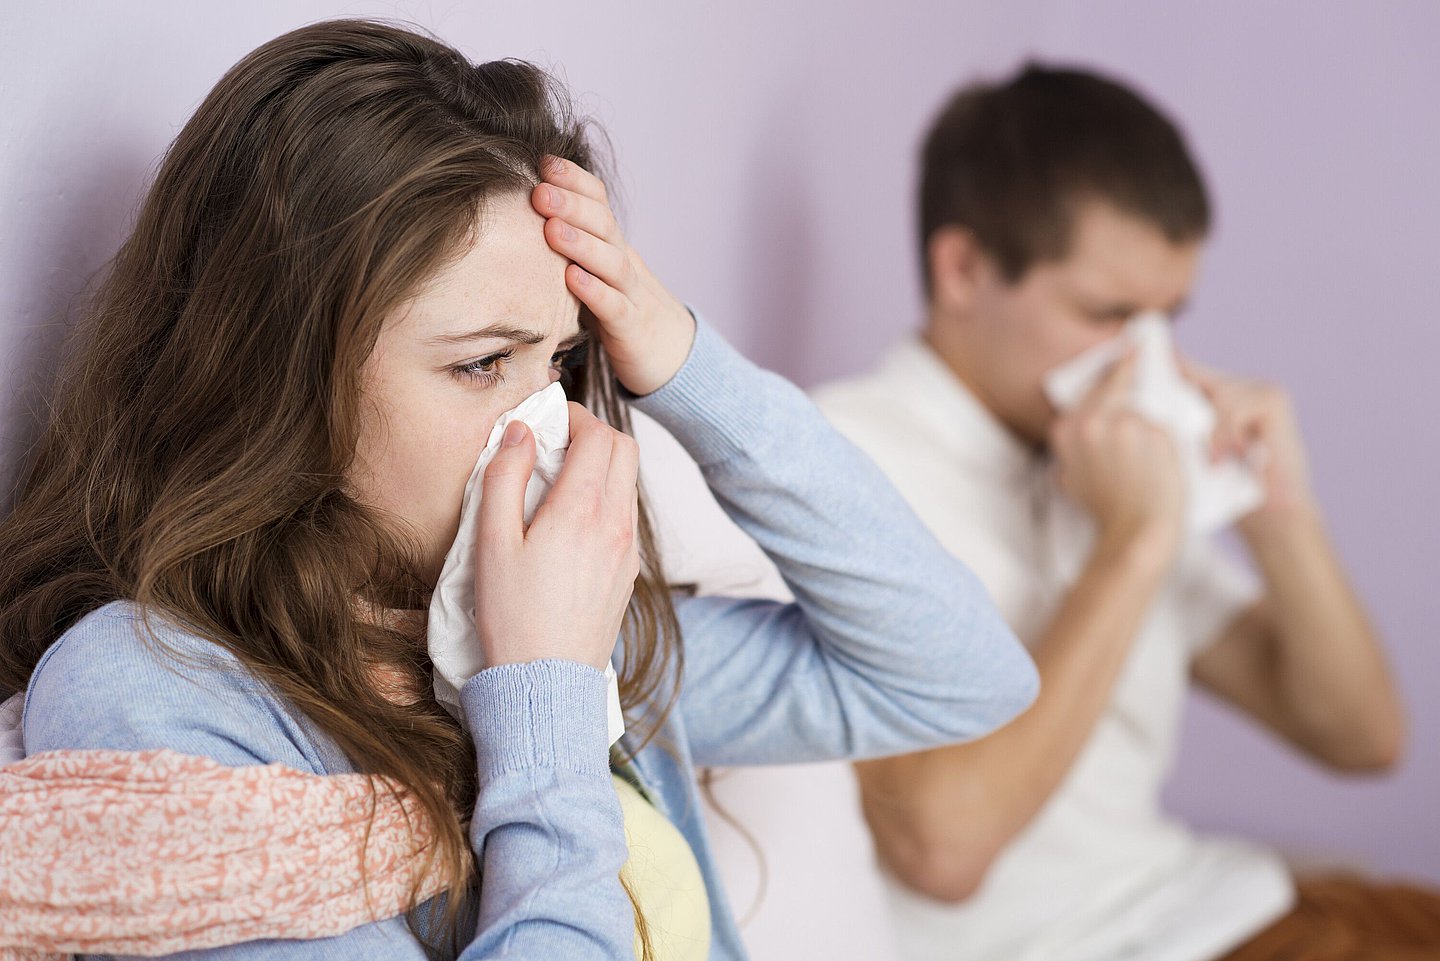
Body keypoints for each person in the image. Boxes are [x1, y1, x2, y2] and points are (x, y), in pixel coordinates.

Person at [0, 20, 1039, 961]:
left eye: (559, 361)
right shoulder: (155, 691)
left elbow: (961, 675)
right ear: (275, 374)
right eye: (480, 364)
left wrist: (681, 360)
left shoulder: (549, 629)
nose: (544, 425)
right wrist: (541, 698)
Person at [807, 64, 1437, 961]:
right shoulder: (842, 458)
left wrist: (1278, 511)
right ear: (963, 269)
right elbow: (942, 849)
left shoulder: (1092, 456)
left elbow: (1363, 737)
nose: (1147, 359)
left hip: (1221, 900)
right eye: (1108, 314)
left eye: (1167, 318)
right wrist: (1133, 543)